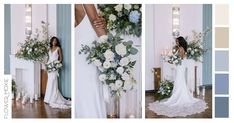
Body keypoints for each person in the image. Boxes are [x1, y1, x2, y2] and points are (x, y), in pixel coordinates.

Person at [148, 36, 207, 117]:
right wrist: (174, 59)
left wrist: (174, 59)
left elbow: (181, 58)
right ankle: (179, 94)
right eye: (176, 41)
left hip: (180, 67)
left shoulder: (181, 48)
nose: (176, 43)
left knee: (179, 80)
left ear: (180, 41)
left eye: (177, 41)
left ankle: (179, 95)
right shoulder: (181, 48)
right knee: (180, 80)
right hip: (180, 66)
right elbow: (181, 58)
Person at [75, 4, 107, 118]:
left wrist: (103, 21)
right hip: (88, 50)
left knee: (82, 91)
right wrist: (110, 52)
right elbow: (95, 22)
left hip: (80, 47)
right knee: (91, 91)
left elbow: (95, 21)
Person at [44, 36, 71, 109]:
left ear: (57, 42)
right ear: (51, 42)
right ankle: (48, 98)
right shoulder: (49, 49)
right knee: (49, 82)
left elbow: (61, 59)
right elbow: (48, 58)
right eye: (53, 41)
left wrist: (56, 65)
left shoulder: (58, 48)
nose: (54, 42)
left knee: (53, 81)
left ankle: (53, 98)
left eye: (55, 41)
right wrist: (46, 65)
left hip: (55, 67)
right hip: (49, 67)